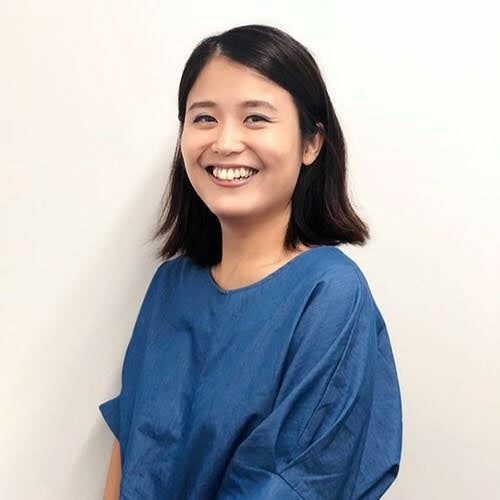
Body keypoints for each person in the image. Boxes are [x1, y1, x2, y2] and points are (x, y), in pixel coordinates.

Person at [98, 24, 402, 499]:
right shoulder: (170, 286)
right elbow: (130, 449)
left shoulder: (329, 294)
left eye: (255, 118)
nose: (225, 142)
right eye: (204, 118)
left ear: (311, 143)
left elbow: (300, 482)